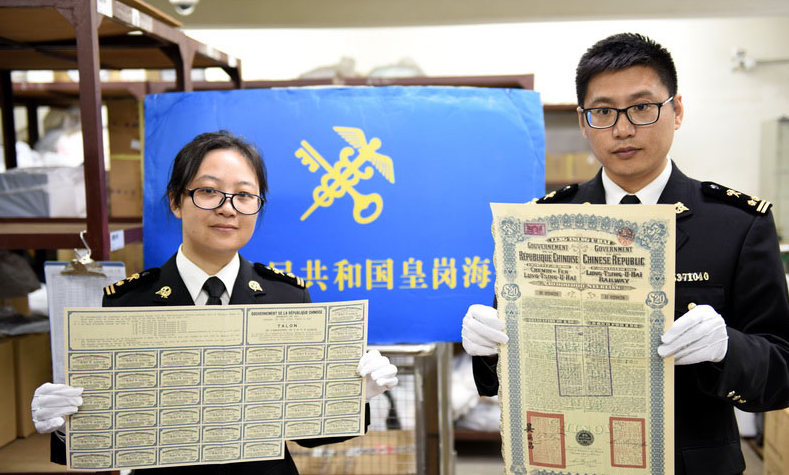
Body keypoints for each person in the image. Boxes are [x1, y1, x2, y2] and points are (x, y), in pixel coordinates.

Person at [462, 33, 789, 475]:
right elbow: (513, 359)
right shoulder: (542, 225)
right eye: (603, 112)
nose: (622, 129)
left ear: (676, 111)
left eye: (642, 107)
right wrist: (486, 348)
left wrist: (728, 349)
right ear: (583, 123)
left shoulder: (736, 225)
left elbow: (782, 369)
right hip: (568, 459)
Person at [31, 130, 399, 474]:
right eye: (209, 191)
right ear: (176, 201)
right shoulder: (129, 303)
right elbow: (109, 435)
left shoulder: (287, 298)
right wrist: (66, 426)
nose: (228, 208)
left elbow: (309, 433)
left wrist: (355, 396)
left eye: (244, 195)